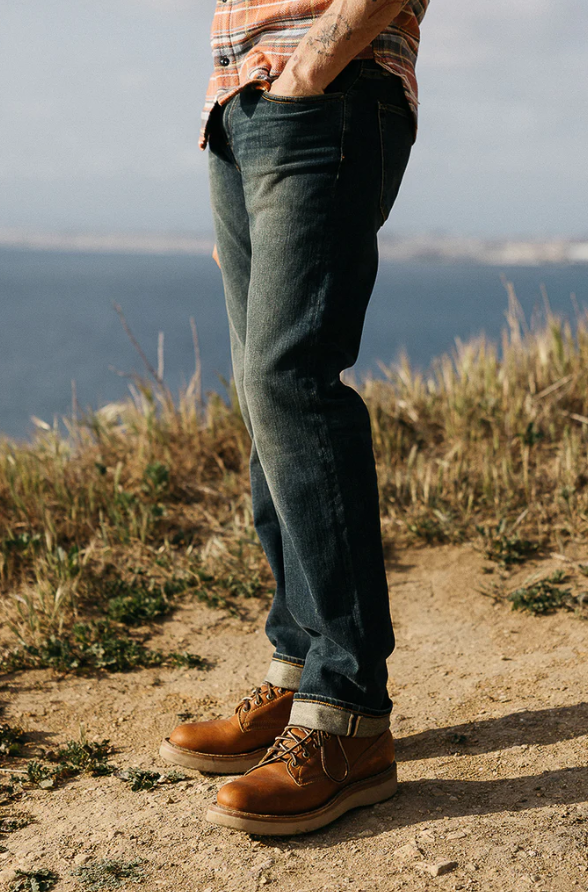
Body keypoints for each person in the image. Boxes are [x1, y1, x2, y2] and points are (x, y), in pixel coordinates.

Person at [159, 0, 429, 836]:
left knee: (290, 384)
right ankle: (301, 665)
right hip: (248, 108)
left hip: (328, 90)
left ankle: (347, 714)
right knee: (263, 394)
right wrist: (236, 121)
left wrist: (313, 64)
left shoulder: (324, 77)